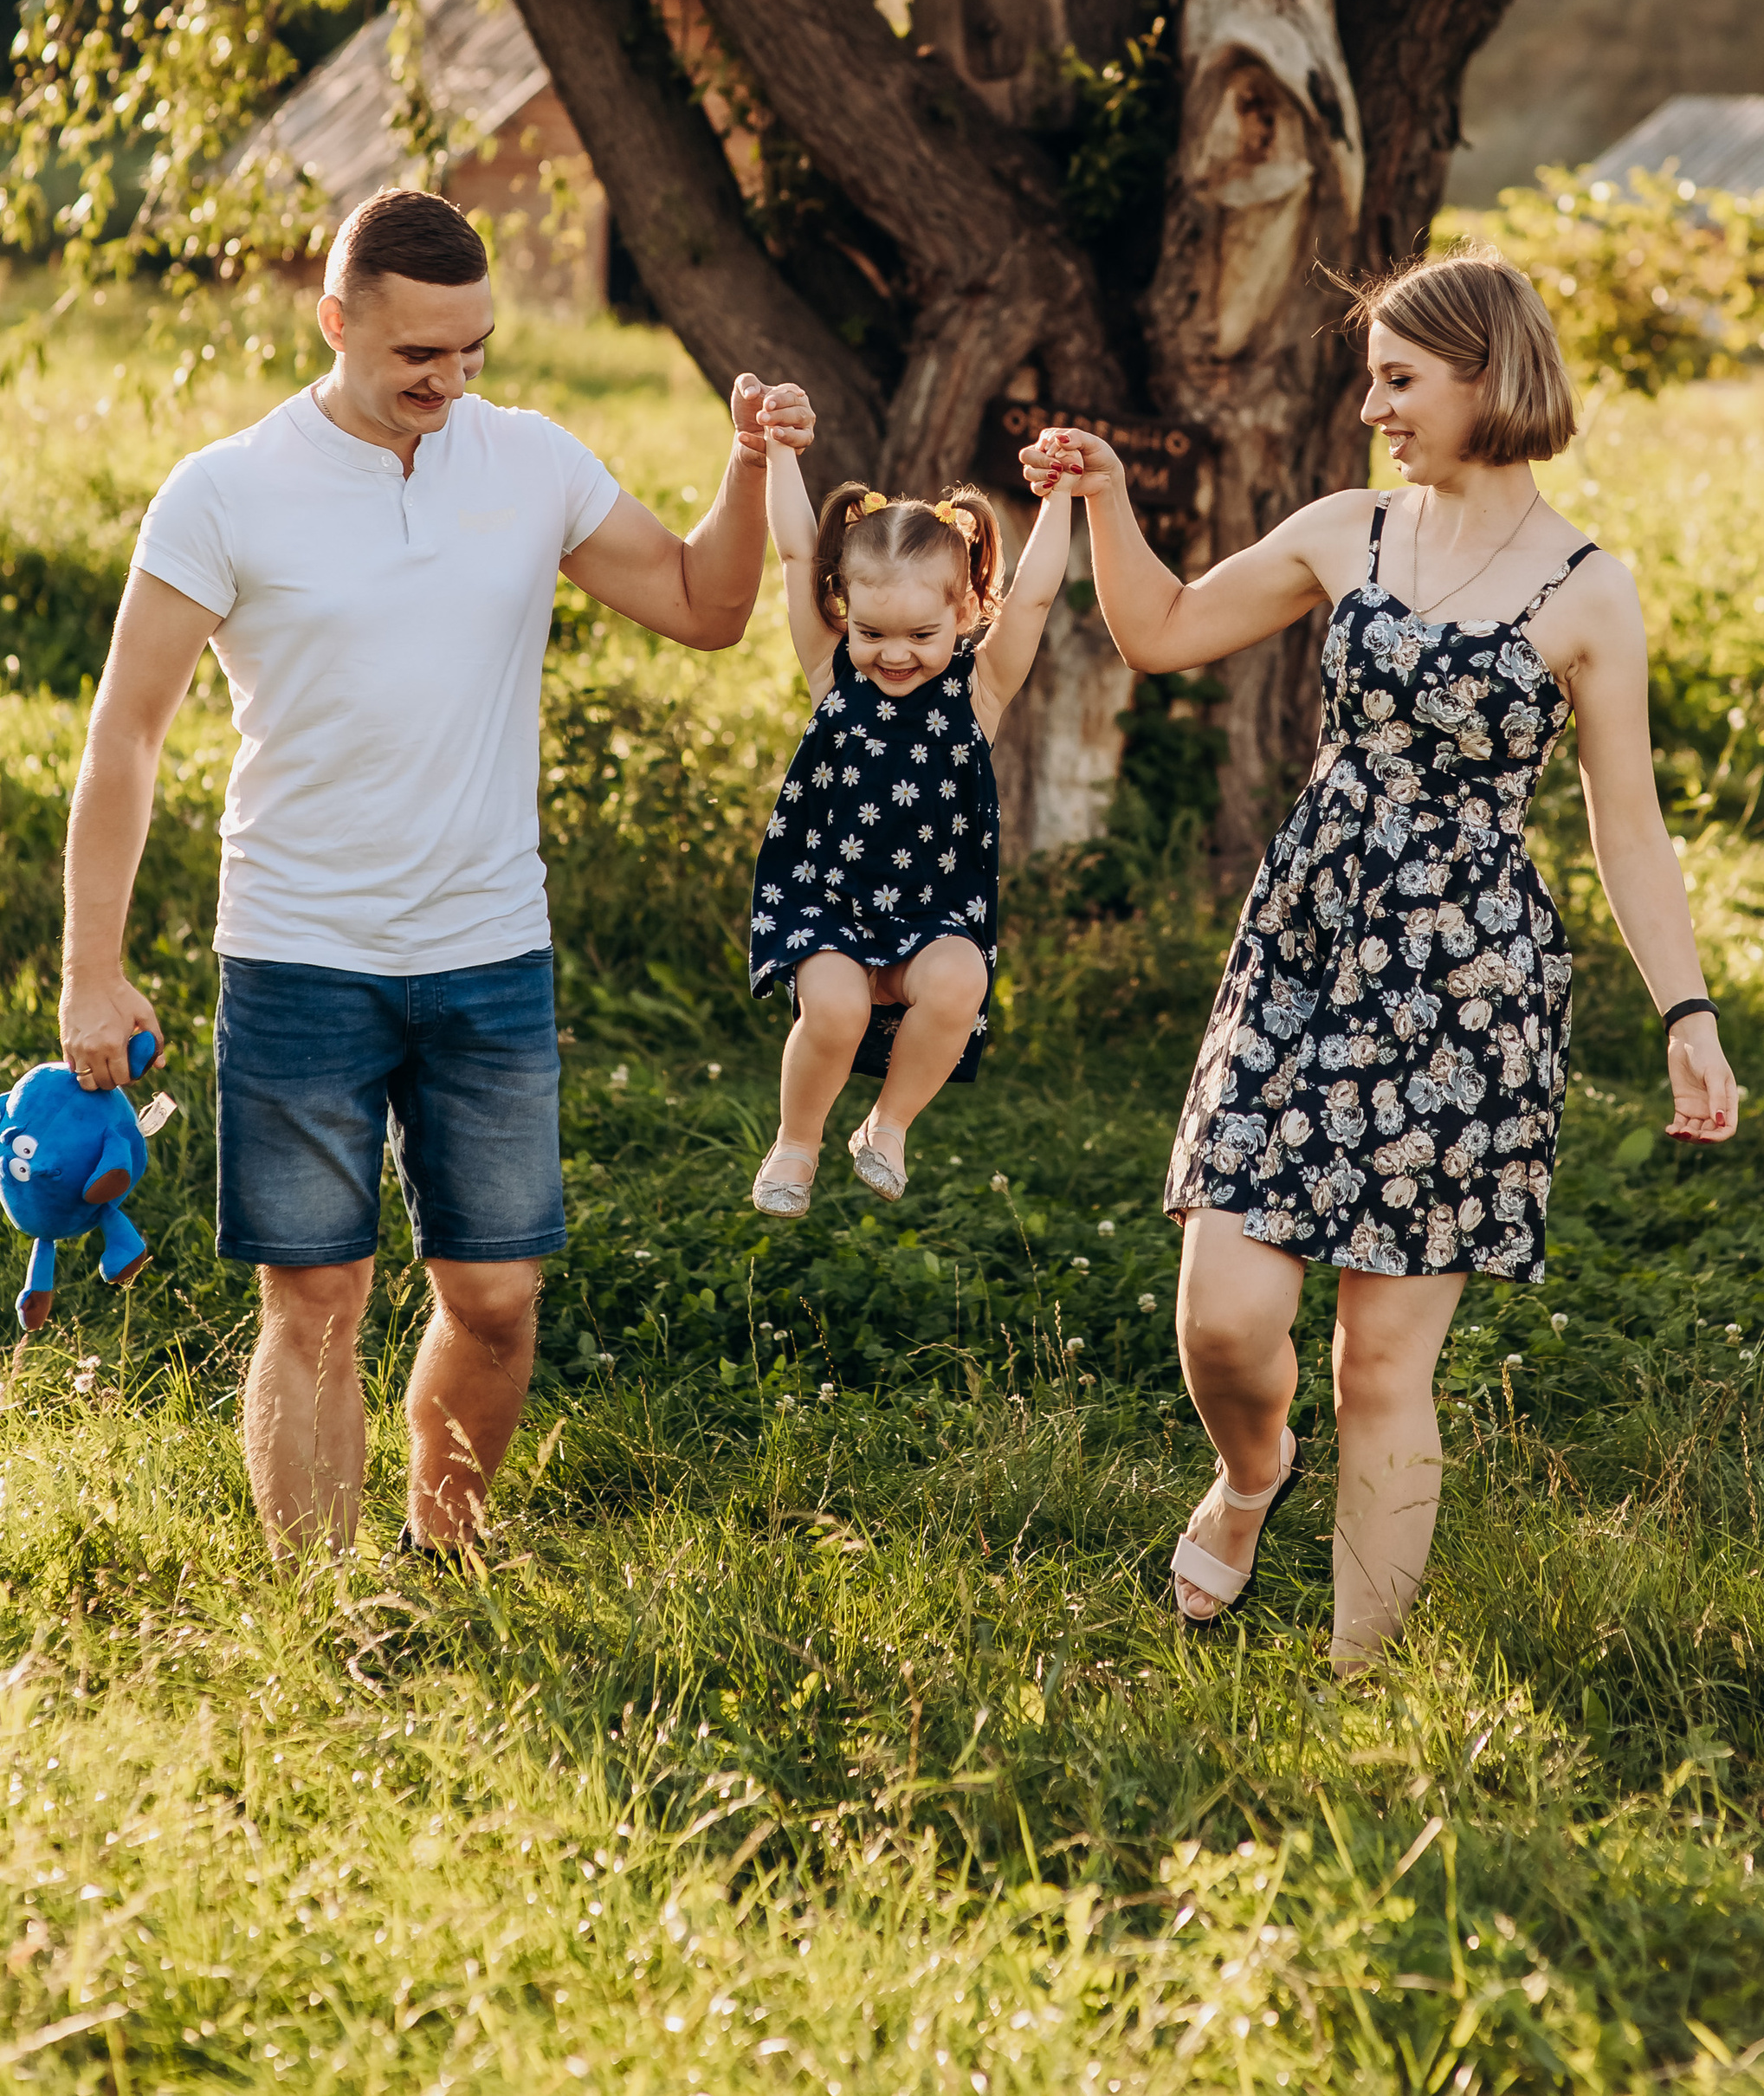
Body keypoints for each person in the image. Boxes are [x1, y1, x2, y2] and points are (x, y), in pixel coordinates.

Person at [59, 184, 813, 1564]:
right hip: (297, 949)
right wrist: (91, 970)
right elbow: (126, 733)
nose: (449, 382)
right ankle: (321, 1603)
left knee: (497, 1292)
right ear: (337, 319)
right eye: (419, 354)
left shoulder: (528, 461)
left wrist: (750, 469)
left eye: (472, 351)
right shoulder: (227, 489)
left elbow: (707, 608)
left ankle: (441, 1548)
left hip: (487, 950)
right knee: (318, 1297)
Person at [1024, 248, 1739, 1667]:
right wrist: (1107, 498)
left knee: (1383, 1363)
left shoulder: (1589, 592)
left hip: (1467, 993)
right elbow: (1160, 632)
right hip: (1302, 946)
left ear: (1490, 376)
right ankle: (1248, 1475)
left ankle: (1361, 1689)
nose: (1375, 404)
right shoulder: (1347, 528)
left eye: (1401, 377)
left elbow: (1630, 828)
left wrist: (1689, 1011)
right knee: (1227, 1314)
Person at [746, 439, 1075, 1214]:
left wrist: (1063, 497)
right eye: (872, 633)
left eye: (922, 636)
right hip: (830, 903)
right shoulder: (834, 675)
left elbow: (1030, 598)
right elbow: (796, 554)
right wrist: (779, 450)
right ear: (844, 611)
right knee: (835, 1008)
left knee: (962, 980)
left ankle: (886, 1128)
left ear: (964, 611)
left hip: (933, 910)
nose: (894, 655)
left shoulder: (979, 691)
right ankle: (798, 1139)